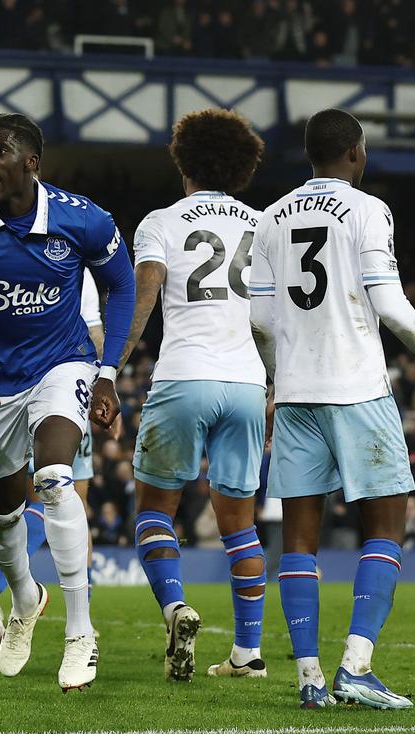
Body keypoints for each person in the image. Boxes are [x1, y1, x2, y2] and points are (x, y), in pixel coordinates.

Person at [249, 108, 415, 710]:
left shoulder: (269, 221)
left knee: (298, 538)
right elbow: (391, 307)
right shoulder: (368, 211)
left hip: (296, 396)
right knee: (387, 526)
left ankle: (310, 681)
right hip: (358, 391)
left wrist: (278, 378)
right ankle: (357, 666)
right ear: (356, 152)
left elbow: (261, 321)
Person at [0, 113, 135, 691]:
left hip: (61, 367)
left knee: (57, 476)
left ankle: (80, 634)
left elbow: (122, 284)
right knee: (5, 518)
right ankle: (24, 598)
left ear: (31, 164)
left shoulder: (82, 218)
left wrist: (108, 369)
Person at [119, 108, 268, 682]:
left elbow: (145, 297)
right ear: (239, 165)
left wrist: (112, 367)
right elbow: (270, 318)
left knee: (156, 510)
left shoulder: (161, 221)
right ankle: (248, 655)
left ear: (184, 160)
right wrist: (274, 382)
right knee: (241, 524)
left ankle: (176, 606)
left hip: (184, 375)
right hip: (247, 382)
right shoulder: (262, 223)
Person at [0, 270, 101, 650]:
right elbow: (94, 329)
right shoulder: (73, 251)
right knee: (64, 493)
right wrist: (101, 383)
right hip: (53, 389)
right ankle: (74, 618)